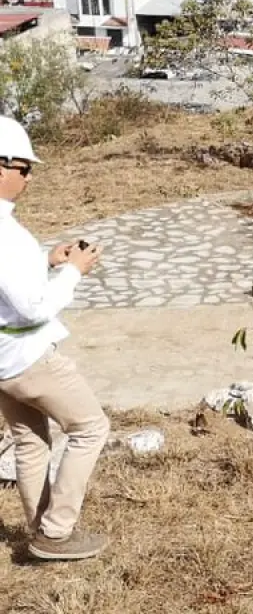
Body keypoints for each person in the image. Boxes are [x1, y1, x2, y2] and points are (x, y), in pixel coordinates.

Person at [0, 116, 110, 561]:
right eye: (25, 168)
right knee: (90, 427)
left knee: (30, 441)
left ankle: (39, 531)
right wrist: (72, 272)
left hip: (1, 360)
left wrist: (47, 260)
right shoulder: (6, 235)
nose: (29, 178)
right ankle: (57, 532)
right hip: (27, 357)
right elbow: (32, 307)